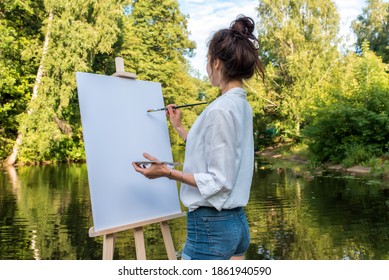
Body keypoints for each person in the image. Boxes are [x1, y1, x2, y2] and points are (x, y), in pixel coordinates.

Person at [132, 15, 264, 260]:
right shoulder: (240, 106)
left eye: (207, 61)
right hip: (235, 224)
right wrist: (180, 129)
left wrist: (166, 172)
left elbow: (218, 181)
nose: (206, 68)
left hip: (211, 228)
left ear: (215, 63)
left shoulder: (220, 109)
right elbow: (219, 151)